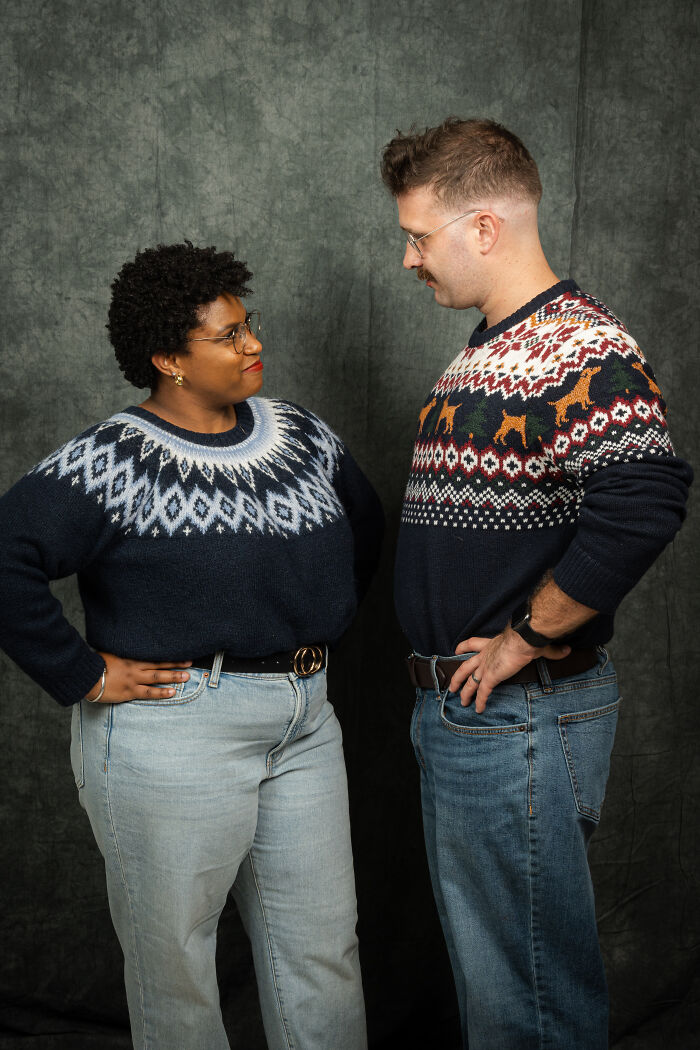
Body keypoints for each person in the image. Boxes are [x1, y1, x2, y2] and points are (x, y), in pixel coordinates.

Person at [0, 241, 383, 1050]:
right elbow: (7, 558)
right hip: (173, 732)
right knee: (177, 972)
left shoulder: (302, 434)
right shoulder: (112, 460)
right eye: (228, 336)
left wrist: (311, 635)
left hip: (306, 725)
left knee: (323, 955)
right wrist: (82, 672)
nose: (253, 347)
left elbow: (365, 530)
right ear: (169, 358)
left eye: (249, 326)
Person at [380, 119, 691, 1049]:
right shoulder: (486, 348)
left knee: (530, 998)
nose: (407, 260)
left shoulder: (577, 346)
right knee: (502, 980)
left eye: (419, 237)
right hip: (471, 718)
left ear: (482, 228)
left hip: (520, 714)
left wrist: (526, 633)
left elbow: (644, 500)